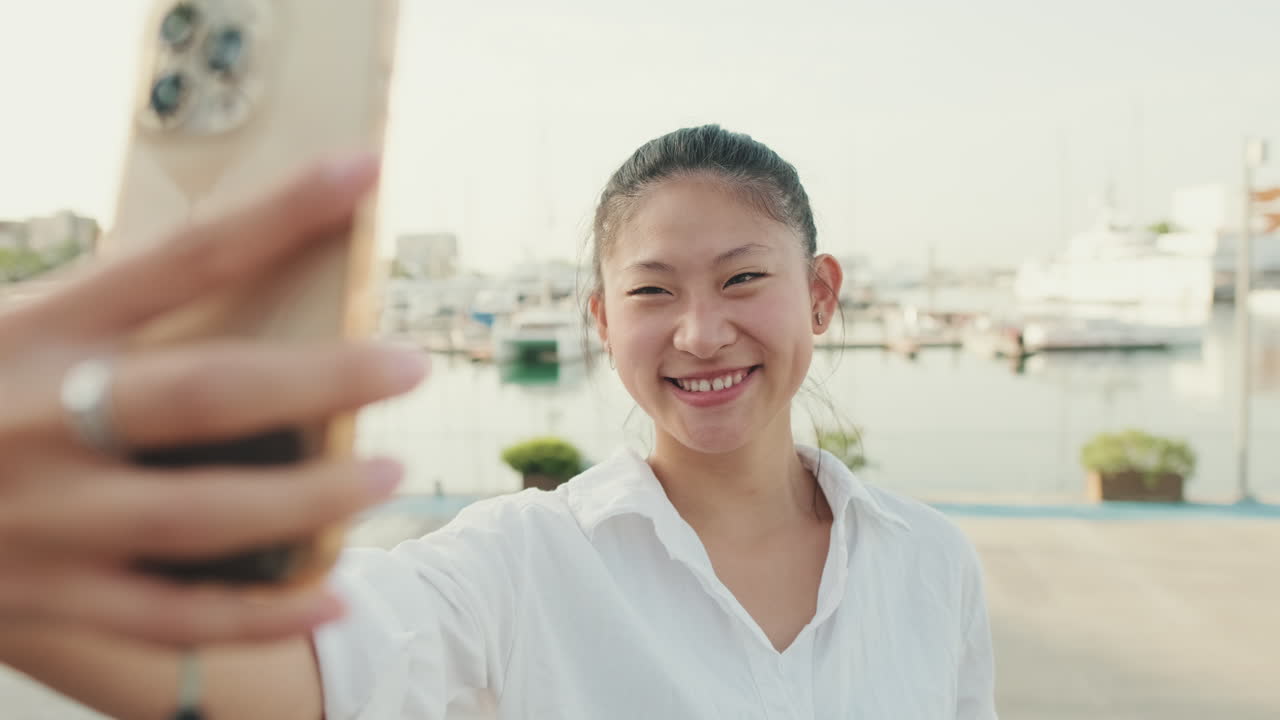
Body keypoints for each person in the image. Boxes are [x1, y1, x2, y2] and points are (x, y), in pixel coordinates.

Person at [0, 127, 996, 719]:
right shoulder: (521, 561)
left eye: (742, 279)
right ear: (602, 322)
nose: (700, 332)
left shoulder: (928, 563)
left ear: (819, 294)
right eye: (651, 292)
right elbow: (308, 673)